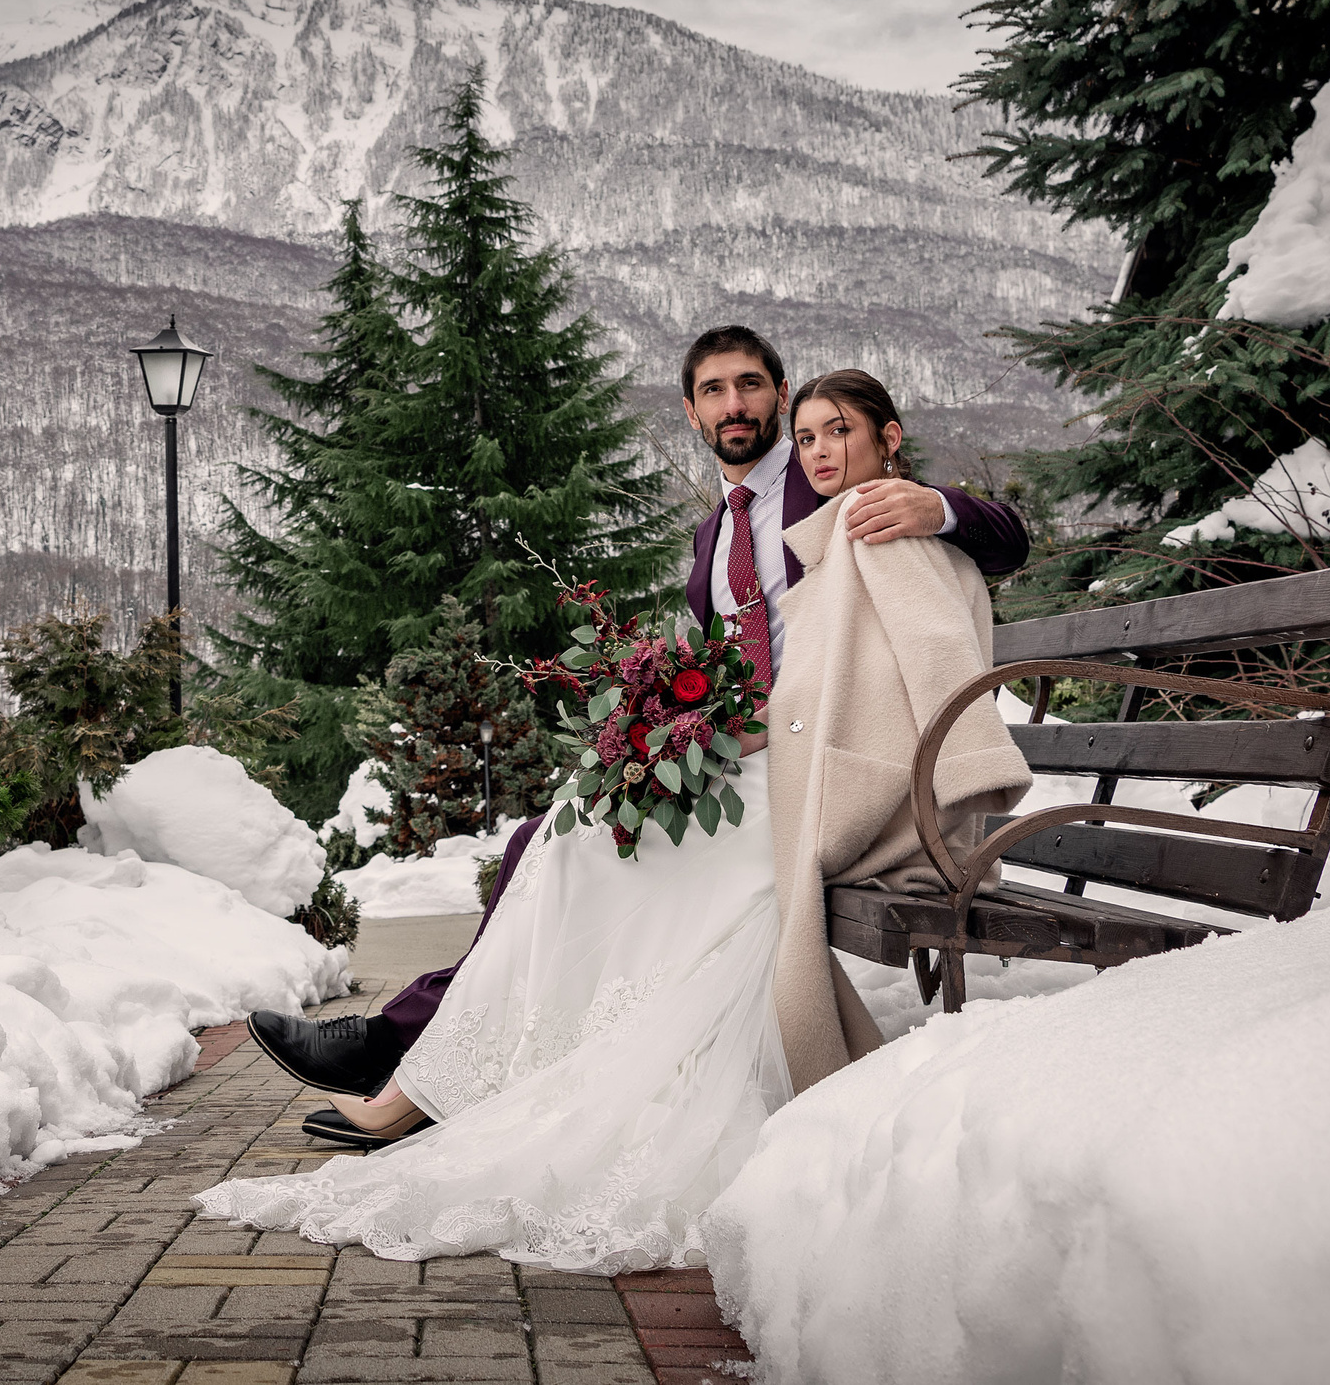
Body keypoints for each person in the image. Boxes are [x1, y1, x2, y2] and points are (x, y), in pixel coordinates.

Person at [191, 368, 1031, 1271]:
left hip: (840, 790)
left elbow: (947, 660)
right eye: (810, 434)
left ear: (883, 437)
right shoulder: (744, 530)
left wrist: (934, 509)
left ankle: (415, 1080)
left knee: (589, 850)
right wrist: (678, 733)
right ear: (692, 411)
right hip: (778, 757)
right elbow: (797, 685)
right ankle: (430, 1072)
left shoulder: (877, 520)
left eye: (836, 431)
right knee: (570, 831)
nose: (820, 450)